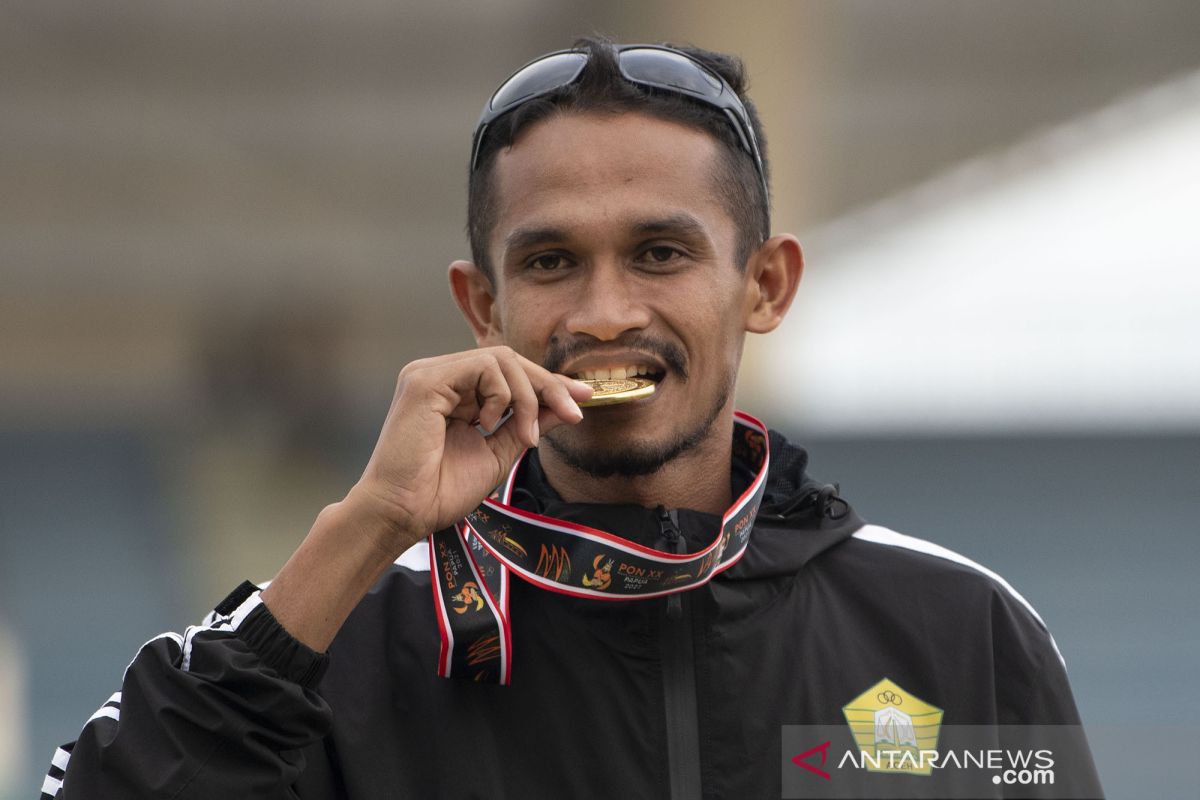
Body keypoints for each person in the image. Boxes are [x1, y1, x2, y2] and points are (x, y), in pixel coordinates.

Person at [42, 36, 1101, 799]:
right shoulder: (346, 649)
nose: (603, 313)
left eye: (660, 252)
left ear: (766, 286)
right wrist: (366, 528)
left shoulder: (959, 632)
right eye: (551, 261)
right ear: (482, 306)